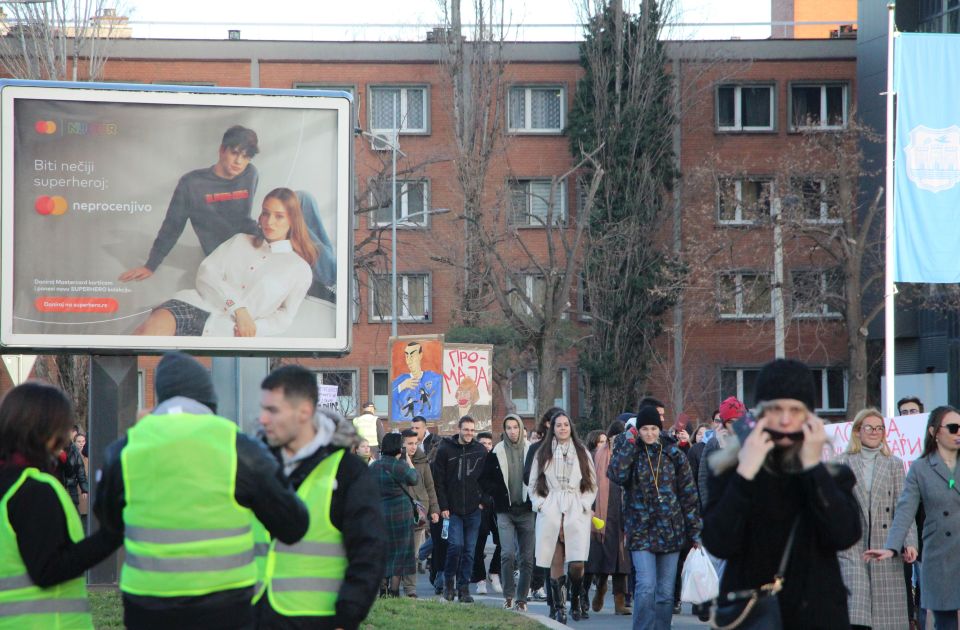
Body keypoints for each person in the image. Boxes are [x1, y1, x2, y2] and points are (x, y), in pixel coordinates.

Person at [94, 351, 310, 630]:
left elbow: (109, 520)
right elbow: (293, 524)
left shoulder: (125, 449)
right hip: (225, 607)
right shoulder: (239, 447)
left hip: (147, 605)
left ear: (160, 398)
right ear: (209, 398)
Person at [702, 359, 861, 630]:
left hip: (817, 615)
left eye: (795, 410)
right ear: (761, 415)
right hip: (753, 615)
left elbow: (844, 534)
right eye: (776, 409)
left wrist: (812, 468)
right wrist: (746, 472)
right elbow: (718, 542)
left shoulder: (833, 476)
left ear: (809, 417)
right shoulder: (728, 472)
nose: (786, 420)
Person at [254, 364, 386, 630]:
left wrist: (346, 618)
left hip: (317, 619)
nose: (263, 419)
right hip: (254, 617)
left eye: (272, 410)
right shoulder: (254, 463)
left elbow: (369, 552)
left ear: (303, 411)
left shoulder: (347, 471)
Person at [0, 383, 118, 629]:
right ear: (46, 431)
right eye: (63, 426)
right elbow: (49, 569)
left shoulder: (9, 481)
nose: (67, 436)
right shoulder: (35, 489)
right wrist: (110, 535)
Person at [136, 187, 317, 337]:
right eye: (265, 213)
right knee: (145, 337)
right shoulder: (240, 241)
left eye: (279, 216)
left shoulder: (299, 270)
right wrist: (239, 309)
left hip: (228, 332)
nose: (269, 221)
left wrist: (252, 328)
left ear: (293, 220)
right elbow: (207, 273)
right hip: (193, 306)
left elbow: (285, 316)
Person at [120, 125, 260, 282]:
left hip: (253, 244)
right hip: (221, 256)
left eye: (246, 157)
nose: (239, 162)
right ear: (222, 150)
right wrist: (150, 265)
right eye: (234, 153)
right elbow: (172, 226)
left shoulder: (251, 174)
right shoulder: (192, 183)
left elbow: (243, 218)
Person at [865, 405, 960, 630]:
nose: (959, 433)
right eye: (953, 427)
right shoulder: (920, 468)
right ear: (934, 432)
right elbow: (905, 509)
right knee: (944, 620)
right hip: (939, 554)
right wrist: (892, 547)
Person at [607, 406, 700, 630]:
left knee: (666, 593)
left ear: (659, 429)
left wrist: (695, 530)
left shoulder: (673, 453)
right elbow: (616, 475)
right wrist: (629, 443)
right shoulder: (631, 451)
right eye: (644, 429)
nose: (649, 433)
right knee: (646, 586)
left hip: (671, 530)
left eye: (653, 429)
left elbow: (688, 494)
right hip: (640, 530)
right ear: (638, 430)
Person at [834, 408, 916, 630]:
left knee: (887, 619)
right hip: (852, 547)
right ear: (858, 431)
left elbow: (904, 507)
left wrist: (909, 542)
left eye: (879, 428)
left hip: (886, 544)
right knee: (855, 614)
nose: (875, 432)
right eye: (869, 427)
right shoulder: (841, 462)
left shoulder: (894, 464)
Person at [529, 409, 597, 623]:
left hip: (576, 508)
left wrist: (585, 504)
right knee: (554, 560)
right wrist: (541, 504)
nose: (562, 428)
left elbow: (591, 483)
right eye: (558, 425)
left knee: (577, 563)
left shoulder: (582, 452)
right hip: (551, 507)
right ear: (552, 428)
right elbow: (532, 484)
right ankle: (560, 608)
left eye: (566, 424)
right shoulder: (543, 453)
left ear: (571, 427)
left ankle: (575, 598)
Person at [480, 413, 535, 612]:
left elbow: (541, 477)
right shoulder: (497, 451)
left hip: (527, 510)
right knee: (507, 554)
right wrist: (497, 493)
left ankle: (522, 598)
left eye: (516, 427)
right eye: (509, 428)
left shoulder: (531, 450)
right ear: (504, 430)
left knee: (527, 558)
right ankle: (509, 596)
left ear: (522, 429)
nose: (513, 431)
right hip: (505, 511)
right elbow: (484, 479)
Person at [433, 415, 488, 602]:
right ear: (459, 429)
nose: (469, 433)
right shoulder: (445, 449)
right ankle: (449, 583)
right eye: (466, 430)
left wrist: (483, 501)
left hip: (474, 509)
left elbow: (487, 479)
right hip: (452, 509)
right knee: (455, 546)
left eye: (472, 430)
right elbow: (438, 481)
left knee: (470, 551)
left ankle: (464, 588)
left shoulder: (480, 450)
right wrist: (443, 505)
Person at [586, 419, 632, 616]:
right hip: (603, 511)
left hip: (624, 510)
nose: (616, 441)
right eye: (613, 437)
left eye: (620, 437)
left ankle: (620, 601)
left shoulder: (630, 455)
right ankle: (601, 588)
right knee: (603, 556)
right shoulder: (597, 455)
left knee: (622, 559)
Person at [369, 433, 418, 598]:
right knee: (399, 552)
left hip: (379, 514)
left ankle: (383, 590)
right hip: (401, 515)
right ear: (398, 448)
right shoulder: (400, 466)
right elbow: (414, 479)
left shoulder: (374, 466)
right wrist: (409, 462)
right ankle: (395, 591)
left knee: (383, 552)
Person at [524, 407, 563, 604]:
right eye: (557, 423)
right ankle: (533, 584)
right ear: (548, 424)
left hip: (565, 507)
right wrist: (541, 500)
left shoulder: (571, 449)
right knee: (539, 547)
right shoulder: (536, 448)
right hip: (543, 505)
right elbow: (527, 477)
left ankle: (548, 588)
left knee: (559, 550)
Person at [401, 428, 439, 598]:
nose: (413, 447)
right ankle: (392, 585)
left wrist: (435, 509)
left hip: (419, 513)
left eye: (415, 443)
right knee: (400, 552)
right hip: (400, 513)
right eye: (409, 444)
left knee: (414, 555)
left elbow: (430, 487)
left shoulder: (423, 461)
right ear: (402, 444)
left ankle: (410, 589)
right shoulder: (397, 462)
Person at [471, 431, 501, 596]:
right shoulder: (474, 461)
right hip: (480, 507)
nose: (486, 446)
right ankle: (480, 579)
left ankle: (494, 571)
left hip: (497, 507)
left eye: (489, 443)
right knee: (478, 544)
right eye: (483, 443)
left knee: (503, 541)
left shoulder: (497, 460)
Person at [391, 341, 444, 421]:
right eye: (406, 356)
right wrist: (401, 387)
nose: (409, 360)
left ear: (420, 355)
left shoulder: (435, 379)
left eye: (412, 355)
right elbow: (393, 411)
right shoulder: (399, 381)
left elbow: (436, 411)